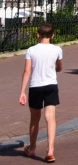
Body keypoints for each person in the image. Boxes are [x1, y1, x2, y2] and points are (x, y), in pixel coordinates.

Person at [19, 23, 62, 163]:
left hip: (36, 86)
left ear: (38, 35)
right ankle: (50, 150)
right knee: (50, 117)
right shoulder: (57, 49)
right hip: (51, 85)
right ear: (52, 36)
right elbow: (59, 67)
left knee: (35, 119)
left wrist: (22, 92)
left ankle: (32, 148)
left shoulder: (31, 50)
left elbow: (27, 71)